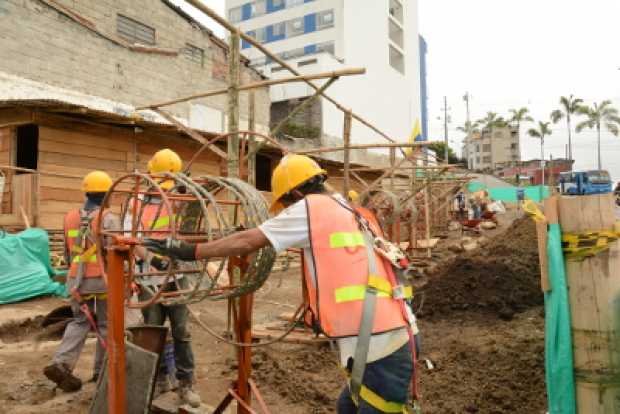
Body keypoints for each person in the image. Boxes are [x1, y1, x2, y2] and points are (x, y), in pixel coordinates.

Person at [144, 154, 420, 413]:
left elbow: (248, 239)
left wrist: (190, 251)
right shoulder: (349, 208)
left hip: (379, 345)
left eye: (286, 205)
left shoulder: (310, 209)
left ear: (297, 194)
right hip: (390, 332)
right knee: (347, 406)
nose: (287, 211)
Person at [128, 149, 201, 408]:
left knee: (182, 331)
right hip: (150, 276)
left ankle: (186, 384)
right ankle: (157, 380)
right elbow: (129, 239)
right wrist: (152, 259)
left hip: (177, 275)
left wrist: (186, 193)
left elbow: (190, 230)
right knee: (153, 333)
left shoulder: (180, 199)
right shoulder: (137, 203)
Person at [44, 171, 120, 392]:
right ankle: (101, 372)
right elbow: (112, 252)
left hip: (76, 282)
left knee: (79, 322)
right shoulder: (108, 217)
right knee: (106, 325)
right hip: (101, 281)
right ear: (106, 194)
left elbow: (68, 254)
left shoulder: (69, 217)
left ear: (86, 191)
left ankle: (61, 363)